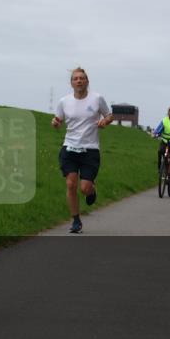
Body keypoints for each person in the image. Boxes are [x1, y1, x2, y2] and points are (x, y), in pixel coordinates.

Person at [52, 68, 113, 234]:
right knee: (71, 184)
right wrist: (55, 123)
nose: (79, 81)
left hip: (90, 150)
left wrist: (105, 121)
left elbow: (109, 115)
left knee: (85, 188)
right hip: (69, 148)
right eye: (75, 78)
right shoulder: (64, 101)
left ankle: (92, 189)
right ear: (71, 83)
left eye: (82, 78)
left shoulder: (97, 98)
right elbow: (58, 119)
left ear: (87, 81)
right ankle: (76, 220)